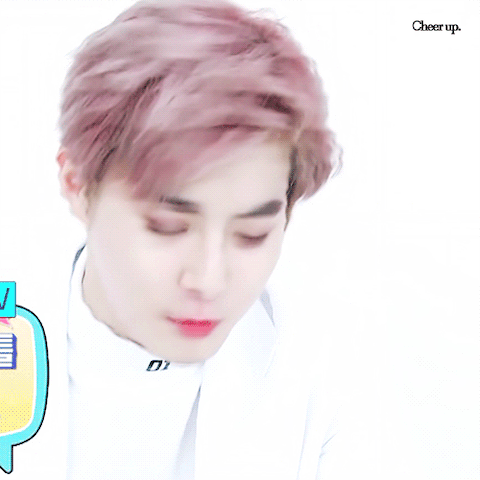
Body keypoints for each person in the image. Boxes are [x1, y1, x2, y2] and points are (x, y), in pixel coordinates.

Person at [56, 0, 343, 478]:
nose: (209, 280)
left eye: (252, 234)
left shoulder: (324, 383)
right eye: (168, 227)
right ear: (77, 185)